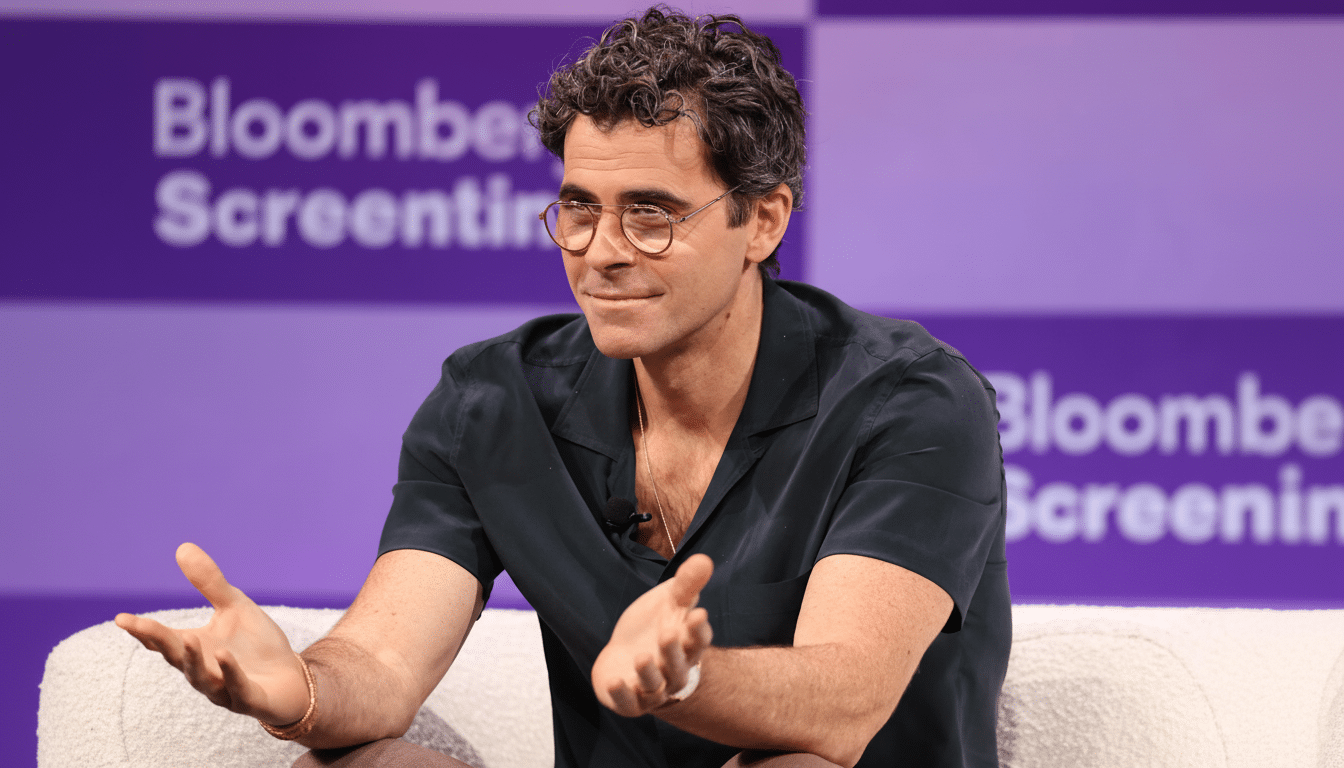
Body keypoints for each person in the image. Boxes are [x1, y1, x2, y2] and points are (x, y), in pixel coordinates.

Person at [115, 7, 1010, 768]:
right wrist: (299, 690)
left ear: (762, 221)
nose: (601, 252)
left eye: (650, 215)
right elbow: (383, 666)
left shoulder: (913, 402)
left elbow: (841, 701)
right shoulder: (492, 400)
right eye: (579, 208)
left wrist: (682, 679)